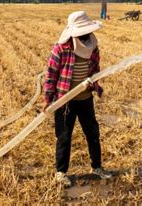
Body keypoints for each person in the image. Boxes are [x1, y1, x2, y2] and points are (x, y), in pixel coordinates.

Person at [43, 11, 112, 187]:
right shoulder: (61, 48)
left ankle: (97, 167)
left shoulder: (93, 46)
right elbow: (51, 75)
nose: (86, 34)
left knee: (93, 133)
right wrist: (48, 99)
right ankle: (61, 172)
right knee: (64, 136)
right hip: (65, 101)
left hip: (85, 98)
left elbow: (95, 69)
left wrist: (93, 83)